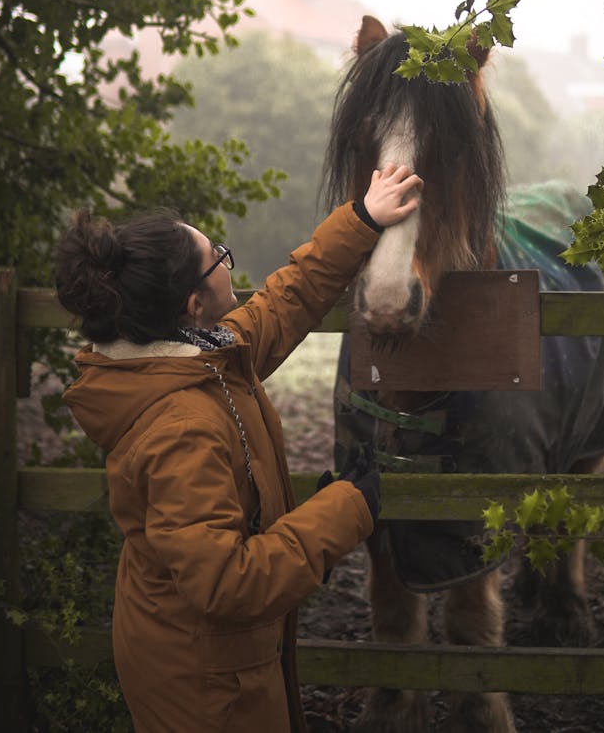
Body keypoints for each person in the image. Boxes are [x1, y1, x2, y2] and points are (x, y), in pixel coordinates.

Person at [54, 163, 422, 733]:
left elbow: (287, 299)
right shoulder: (180, 429)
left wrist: (364, 220)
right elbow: (227, 585)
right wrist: (344, 512)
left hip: (208, 657)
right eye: (218, 258)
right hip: (204, 687)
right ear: (193, 305)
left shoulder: (195, 355)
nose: (230, 263)